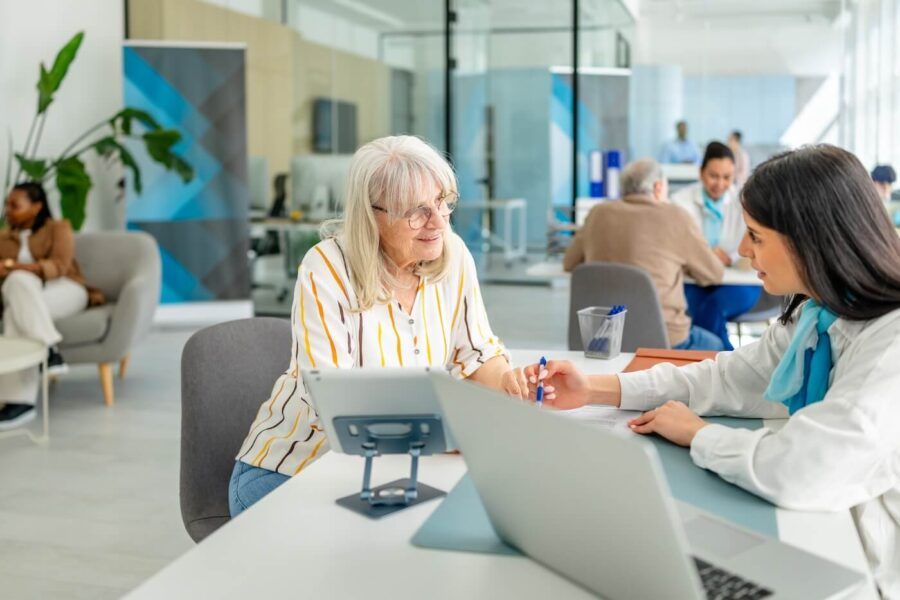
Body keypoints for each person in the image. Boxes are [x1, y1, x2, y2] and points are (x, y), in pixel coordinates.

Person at [523, 145, 900, 598]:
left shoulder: (889, 347)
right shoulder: (822, 313)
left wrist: (699, 434)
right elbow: (726, 375)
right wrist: (598, 388)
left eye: (756, 237)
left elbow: (803, 469)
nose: (742, 248)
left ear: (811, 240)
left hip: (870, 568)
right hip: (832, 533)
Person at [229, 135, 522, 516]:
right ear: (373, 215)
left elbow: (477, 351)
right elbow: (337, 404)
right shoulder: (327, 268)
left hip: (392, 468)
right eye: (417, 211)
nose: (437, 222)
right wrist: (445, 434)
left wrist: (515, 385)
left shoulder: (452, 254)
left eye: (441, 202)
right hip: (292, 471)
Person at [563, 159, 724, 351]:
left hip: (601, 338)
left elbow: (569, 262)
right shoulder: (676, 217)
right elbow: (714, 273)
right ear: (658, 187)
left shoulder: (598, 213)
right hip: (664, 339)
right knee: (715, 345)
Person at [0, 182, 95, 429]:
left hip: (66, 290)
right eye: (6, 204)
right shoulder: (3, 237)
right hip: (27, 299)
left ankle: (19, 403)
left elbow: (60, 266)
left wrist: (12, 267)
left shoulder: (58, 228)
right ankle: (50, 350)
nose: (7, 210)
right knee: (15, 302)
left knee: (18, 287)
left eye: (15, 205)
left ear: (36, 207)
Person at [672, 141, 761, 350]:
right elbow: (674, 246)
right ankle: (729, 366)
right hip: (694, 280)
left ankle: (717, 368)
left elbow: (757, 245)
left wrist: (731, 257)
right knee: (697, 309)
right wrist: (703, 256)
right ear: (701, 173)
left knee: (711, 309)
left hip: (739, 282)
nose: (720, 184)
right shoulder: (679, 202)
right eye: (713, 176)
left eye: (727, 177)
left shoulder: (745, 202)